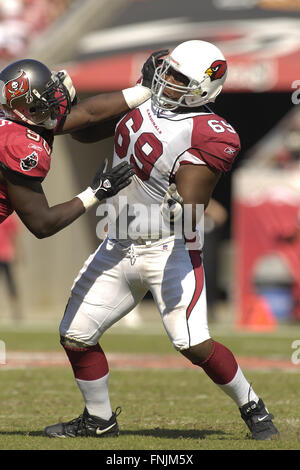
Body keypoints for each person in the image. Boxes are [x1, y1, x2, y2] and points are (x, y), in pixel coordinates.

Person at [44, 40, 279, 441]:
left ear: (204, 88)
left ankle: (253, 407)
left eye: (178, 78)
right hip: (118, 241)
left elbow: (192, 204)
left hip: (168, 249)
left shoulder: (208, 131)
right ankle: (99, 420)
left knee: (192, 344)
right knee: (76, 335)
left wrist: (179, 200)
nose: (167, 81)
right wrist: (136, 92)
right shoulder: (146, 97)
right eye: (167, 71)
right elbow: (83, 129)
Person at [0, 56, 155, 235]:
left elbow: (87, 115)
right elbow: (42, 223)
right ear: (31, 109)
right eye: (49, 95)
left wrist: (144, 91)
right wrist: (96, 191)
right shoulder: (18, 145)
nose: (58, 94)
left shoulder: (19, 118)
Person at [0, 213, 23, 321]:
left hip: (6, 255)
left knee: (11, 284)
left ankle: (16, 312)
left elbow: (13, 234)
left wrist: (17, 252)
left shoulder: (7, 215)